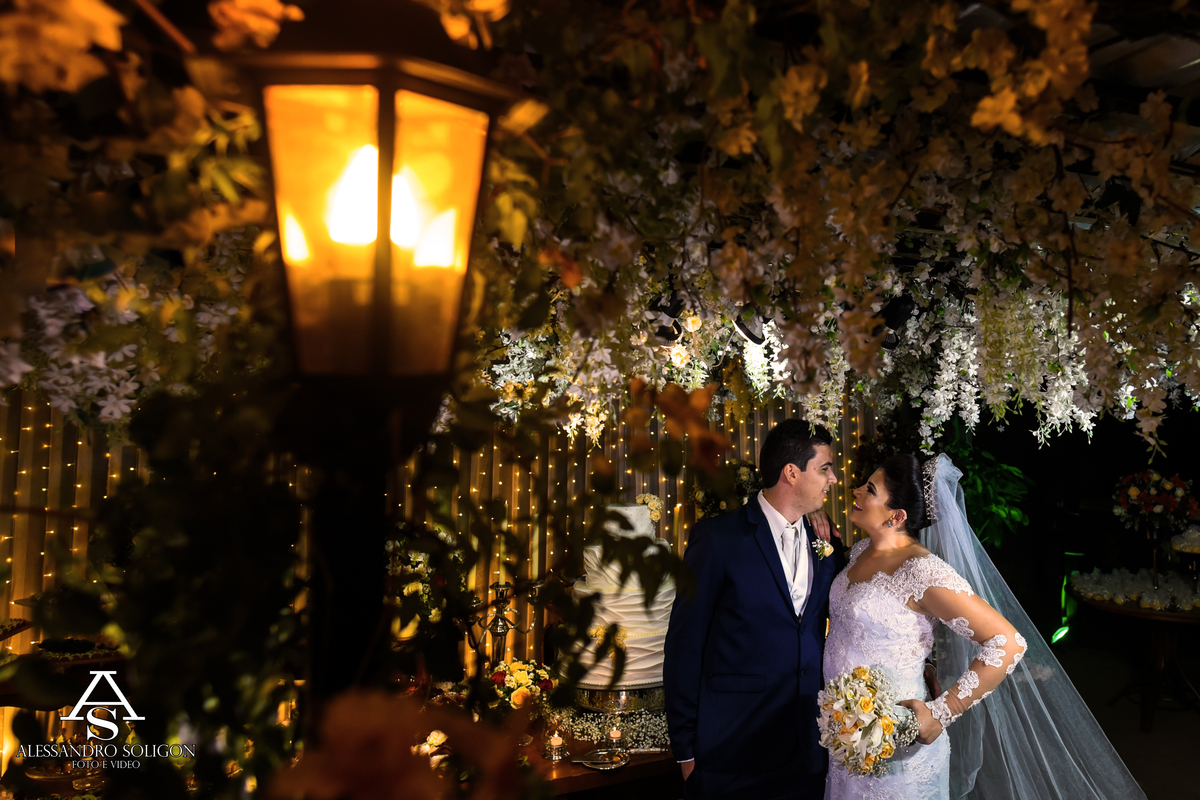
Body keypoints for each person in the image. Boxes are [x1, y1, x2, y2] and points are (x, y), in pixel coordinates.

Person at [824, 453, 1146, 800]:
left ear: (897, 516)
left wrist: (942, 711)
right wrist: (926, 664)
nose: (855, 491)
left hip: (898, 740)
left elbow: (1007, 643)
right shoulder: (859, 552)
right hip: (852, 736)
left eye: (869, 489)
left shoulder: (921, 571)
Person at [664, 420, 841, 799]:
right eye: (825, 468)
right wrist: (686, 751)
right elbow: (684, 644)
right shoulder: (717, 538)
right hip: (731, 750)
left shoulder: (826, 542)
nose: (834, 479)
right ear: (791, 473)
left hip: (808, 749)